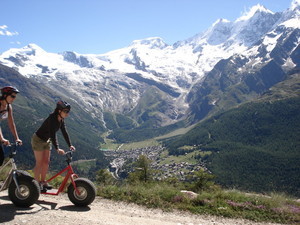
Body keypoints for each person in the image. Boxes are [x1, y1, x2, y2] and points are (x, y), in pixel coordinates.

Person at [31, 100, 75, 190]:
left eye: (68, 112)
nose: (67, 114)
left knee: (46, 162)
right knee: (39, 163)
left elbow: (64, 132)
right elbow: (52, 134)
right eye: (65, 111)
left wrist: (70, 145)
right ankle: (35, 184)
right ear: (59, 111)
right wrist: (57, 148)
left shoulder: (61, 119)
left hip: (47, 140)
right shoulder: (52, 118)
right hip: (38, 140)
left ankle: (43, 182)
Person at [0, 86, 22, 166]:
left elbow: (11, 123)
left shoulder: (8, 107)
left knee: (0, 158)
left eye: (15, 97)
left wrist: (17, 138)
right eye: (12, 96)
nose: (14, 98)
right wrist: (2, 139)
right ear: (5, 95)